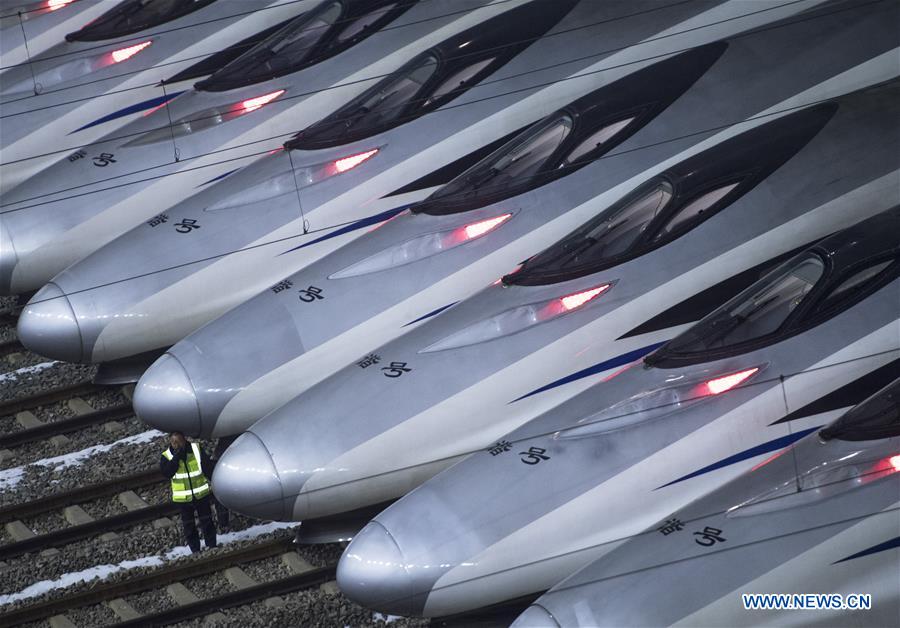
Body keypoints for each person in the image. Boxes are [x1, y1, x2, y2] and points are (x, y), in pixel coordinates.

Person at [159, 432, 217, 553]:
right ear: (170, 442)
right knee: (189, 526)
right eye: (174, 442)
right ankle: (195, 549)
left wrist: (216, 481)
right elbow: (167, 473)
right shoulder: (167, 456)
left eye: (179, 441)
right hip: (183, 498)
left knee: (207, 521)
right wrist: (176, 458)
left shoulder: (196, 449)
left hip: (201, 494)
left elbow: (207, 467)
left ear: (184, 440)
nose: (176, 445)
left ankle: (212, 546)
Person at [211, 435, 237, 530]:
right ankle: (223, 522)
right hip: (226, 459)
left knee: (220, 494)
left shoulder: (226, 434)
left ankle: (223, 522)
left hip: (220, 460)